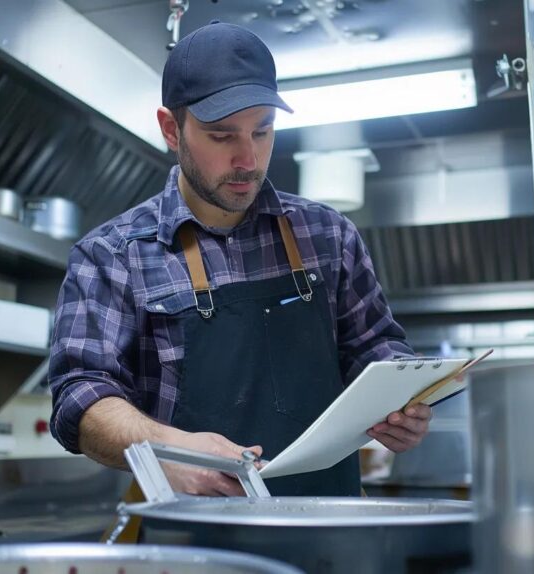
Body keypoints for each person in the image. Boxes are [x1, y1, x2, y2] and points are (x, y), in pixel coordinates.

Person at [48, 21, 431, 497]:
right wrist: (169, 449)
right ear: (172, 129)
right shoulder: (112, 256)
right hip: (191, 546)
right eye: (222, 135)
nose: (248, 159)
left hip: (330, 530)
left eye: (263, 130)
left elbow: (377, 349)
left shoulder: (329, 236)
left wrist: (402, 406)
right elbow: (79, 397)